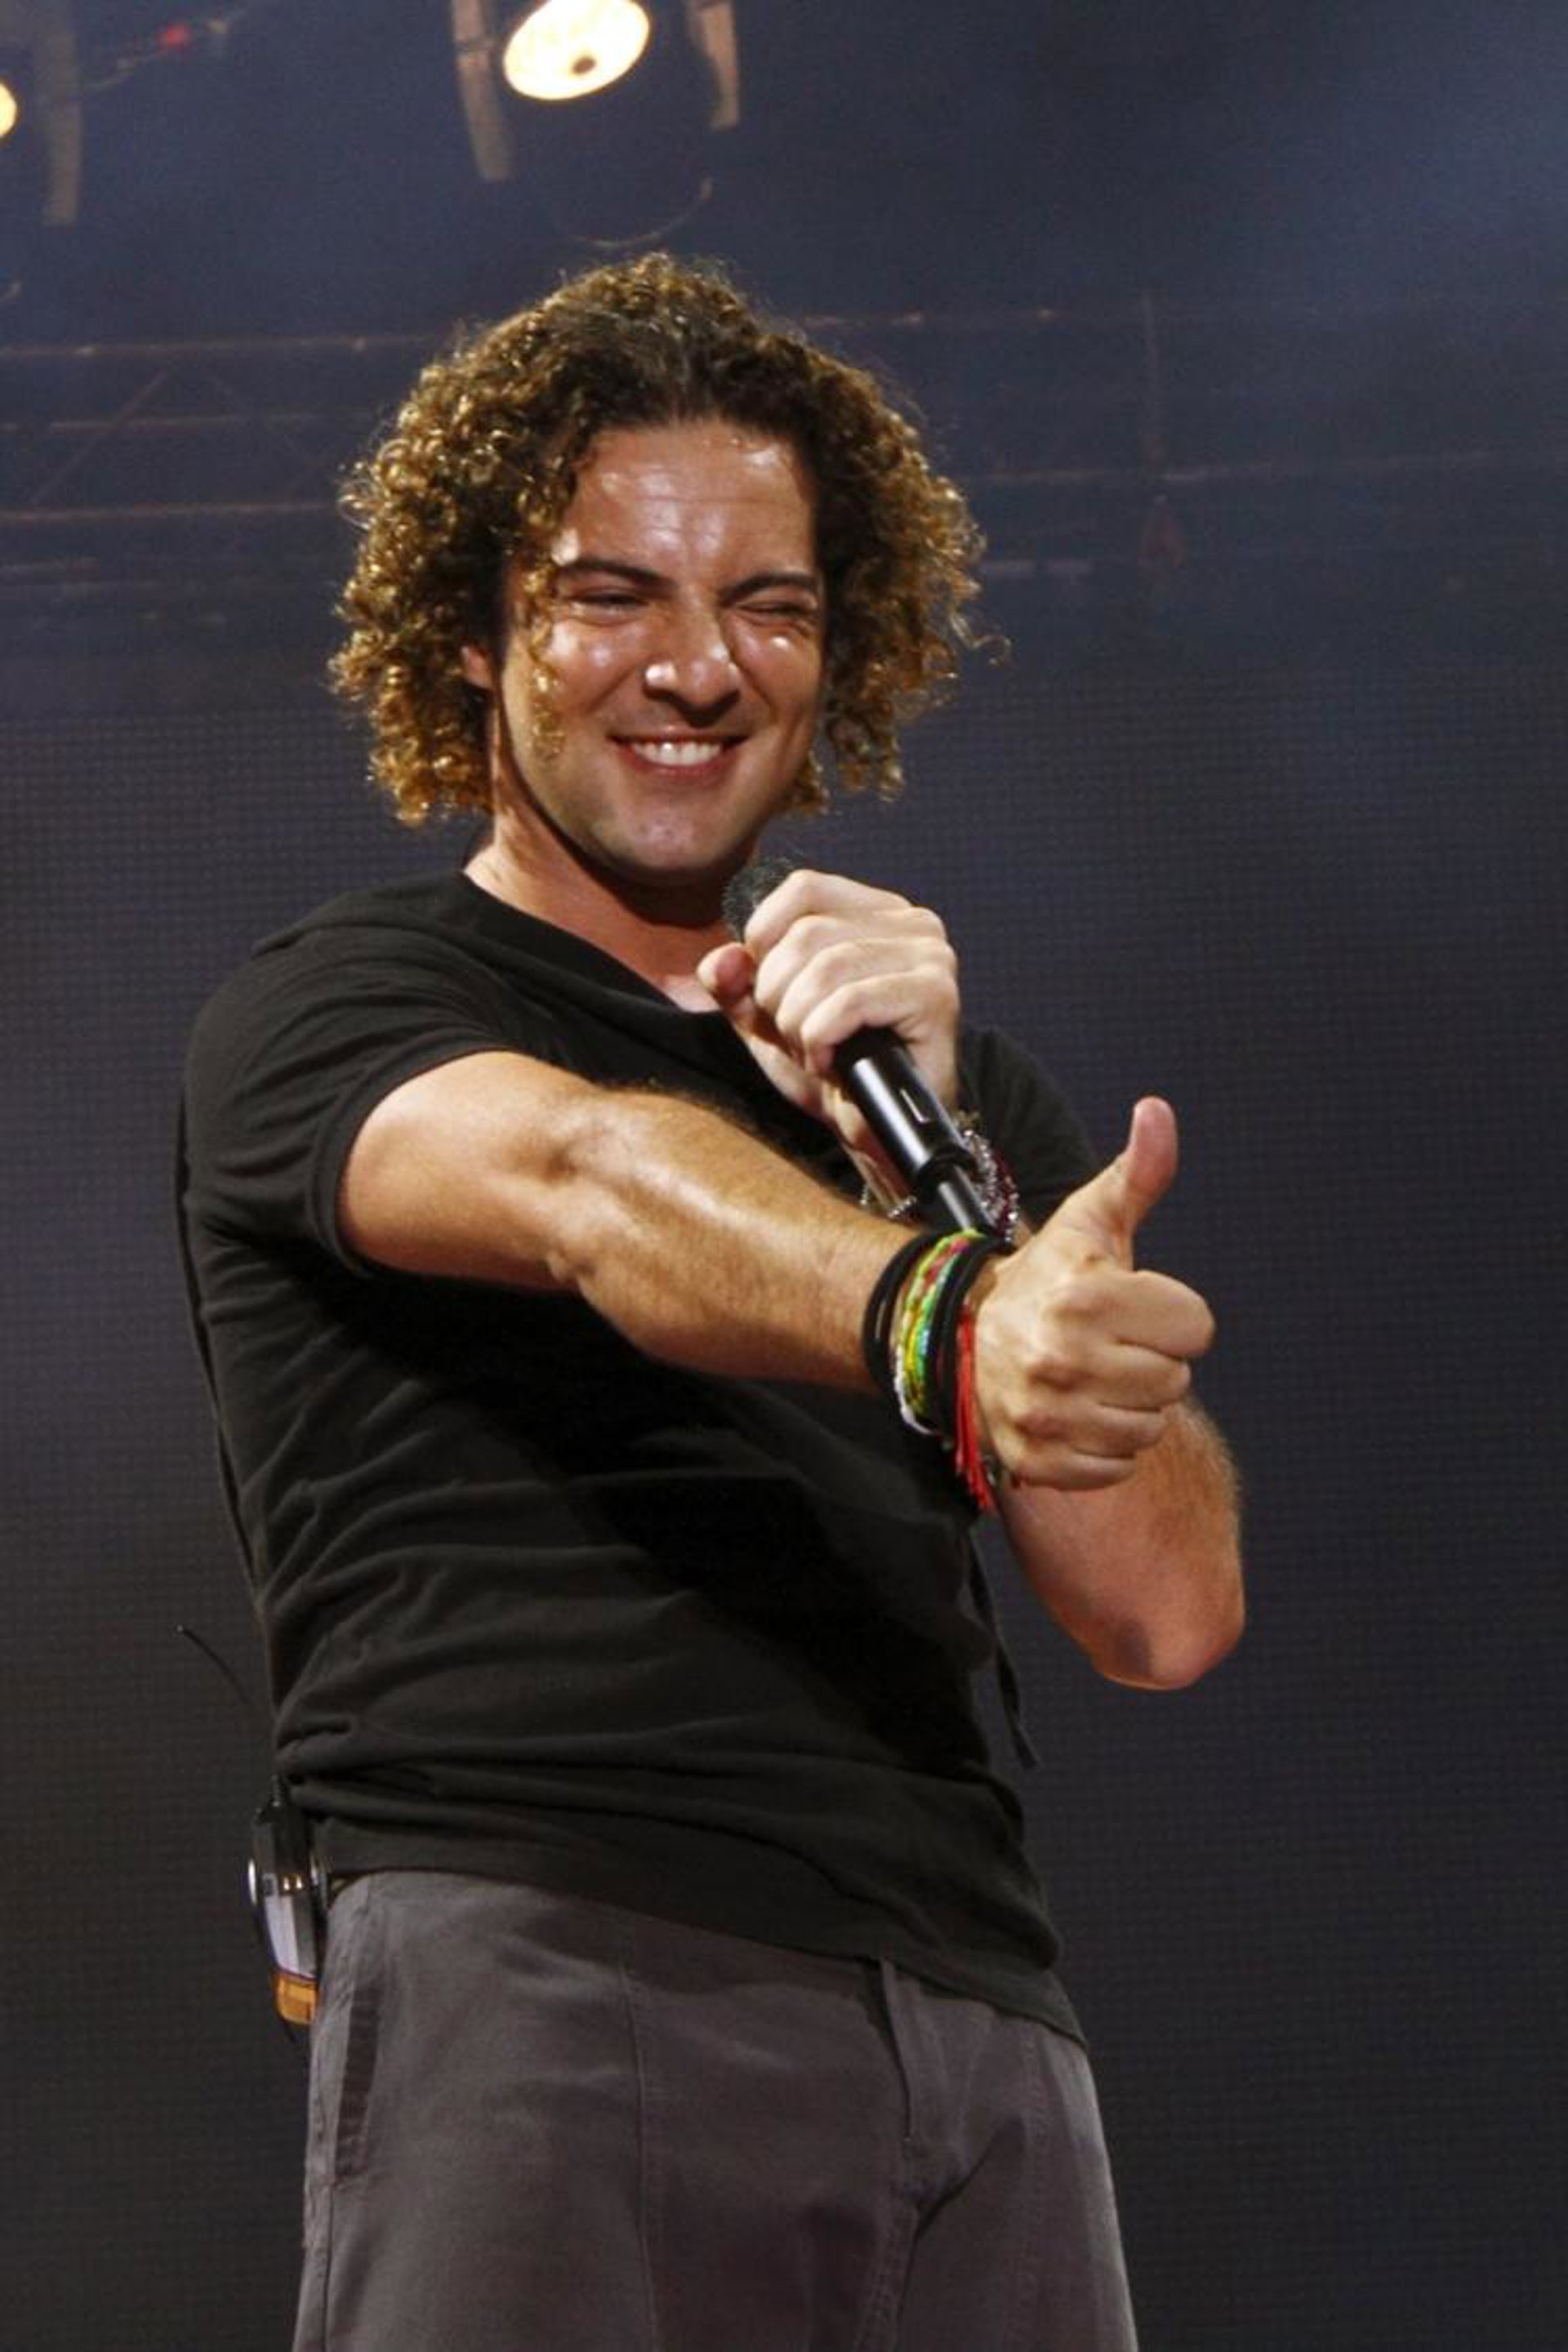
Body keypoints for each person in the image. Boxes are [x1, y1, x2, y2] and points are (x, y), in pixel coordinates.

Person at [180, 252, 1242, 2352]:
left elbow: (1166, 1612)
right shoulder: (342, 1009)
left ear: (842, 652)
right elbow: (588, 1186)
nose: (695, 666)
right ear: (475, 635)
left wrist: (940, 1163)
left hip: (980, 2028)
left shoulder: (938, 1102)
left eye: (768, 604)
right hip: (554, 1963)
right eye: (611, 596)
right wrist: (945, 1315)